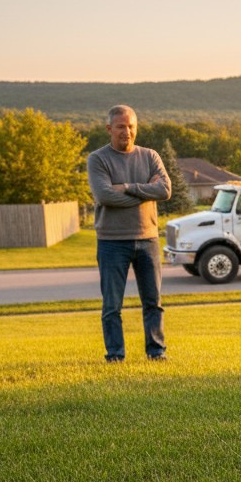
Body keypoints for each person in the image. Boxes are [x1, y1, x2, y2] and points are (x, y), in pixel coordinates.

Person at [87, 104, 172, 362]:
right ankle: (115, 355)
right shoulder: (98, 159)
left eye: (131, 126)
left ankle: (156, 352)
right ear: (109, 128)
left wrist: (126, 188)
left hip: (148, 240)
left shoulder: (150, 156)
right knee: (112, 305)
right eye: (121, 126)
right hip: (112, 242)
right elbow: (104, 195)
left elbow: (165, 191)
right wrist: (144, 193)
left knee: (153, 302)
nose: (127, 131)